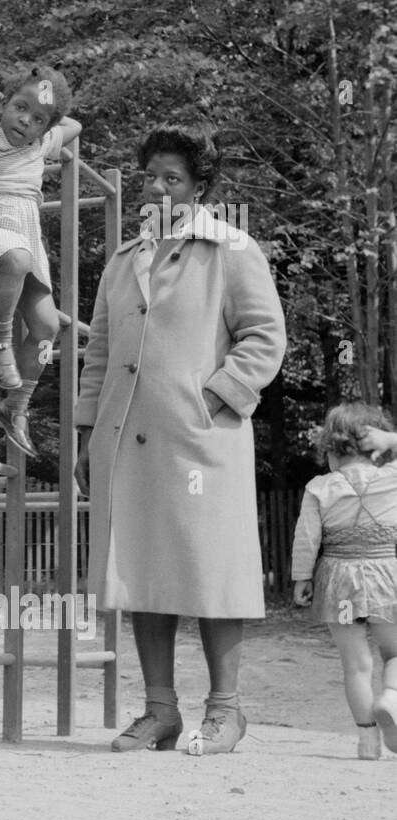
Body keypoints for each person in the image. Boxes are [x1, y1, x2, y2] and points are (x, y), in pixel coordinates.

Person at [74, 126, 286, 755]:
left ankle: (226, 710)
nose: (160, 187)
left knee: (213, 569)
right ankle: (160, 712)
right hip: (126, 437)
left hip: (202, 441)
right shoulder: (122, 260)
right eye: (151, 176)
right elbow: (99, 352)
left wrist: (212, 400)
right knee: (142, 568)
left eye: (174, 178)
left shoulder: (231, 248)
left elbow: (264, 337)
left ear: (199, 188)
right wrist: (87, 430)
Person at [0, 64, 82, 457]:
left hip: (25, 233)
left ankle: (15, 408)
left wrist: (50, 119)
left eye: (37, 119)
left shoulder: (40, 146)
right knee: (15, 259)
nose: (25, 121)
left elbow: (75, 126)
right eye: (19, 107)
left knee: (49, 327)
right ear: (3, 103)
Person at [291, 405, 397, 759]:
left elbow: (307, 538)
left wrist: (301, 578)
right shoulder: (392, 477)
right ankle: (391, 698)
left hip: (339, 579)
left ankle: (367, 740)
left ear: (333, 449)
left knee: (355, 663)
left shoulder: (320, 487)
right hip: (388, 575)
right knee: (394, 652)